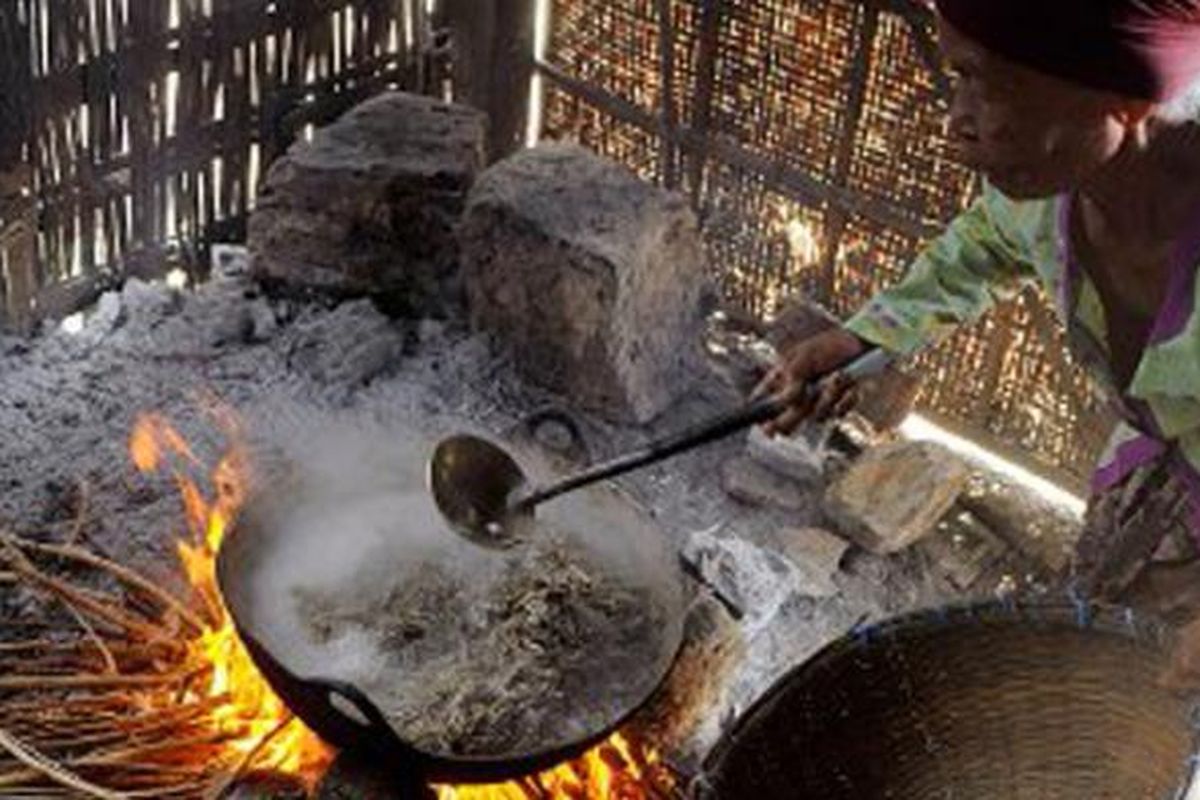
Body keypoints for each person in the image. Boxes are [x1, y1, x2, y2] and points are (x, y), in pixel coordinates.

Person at [757, 0, 1200, 636]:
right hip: (1155, 475)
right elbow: (986, 246)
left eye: (989, 87)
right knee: (1100, 642)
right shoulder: (1054, 199)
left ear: (1125, 101)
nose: (955, 122)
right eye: (959, 78)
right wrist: (870, 334)